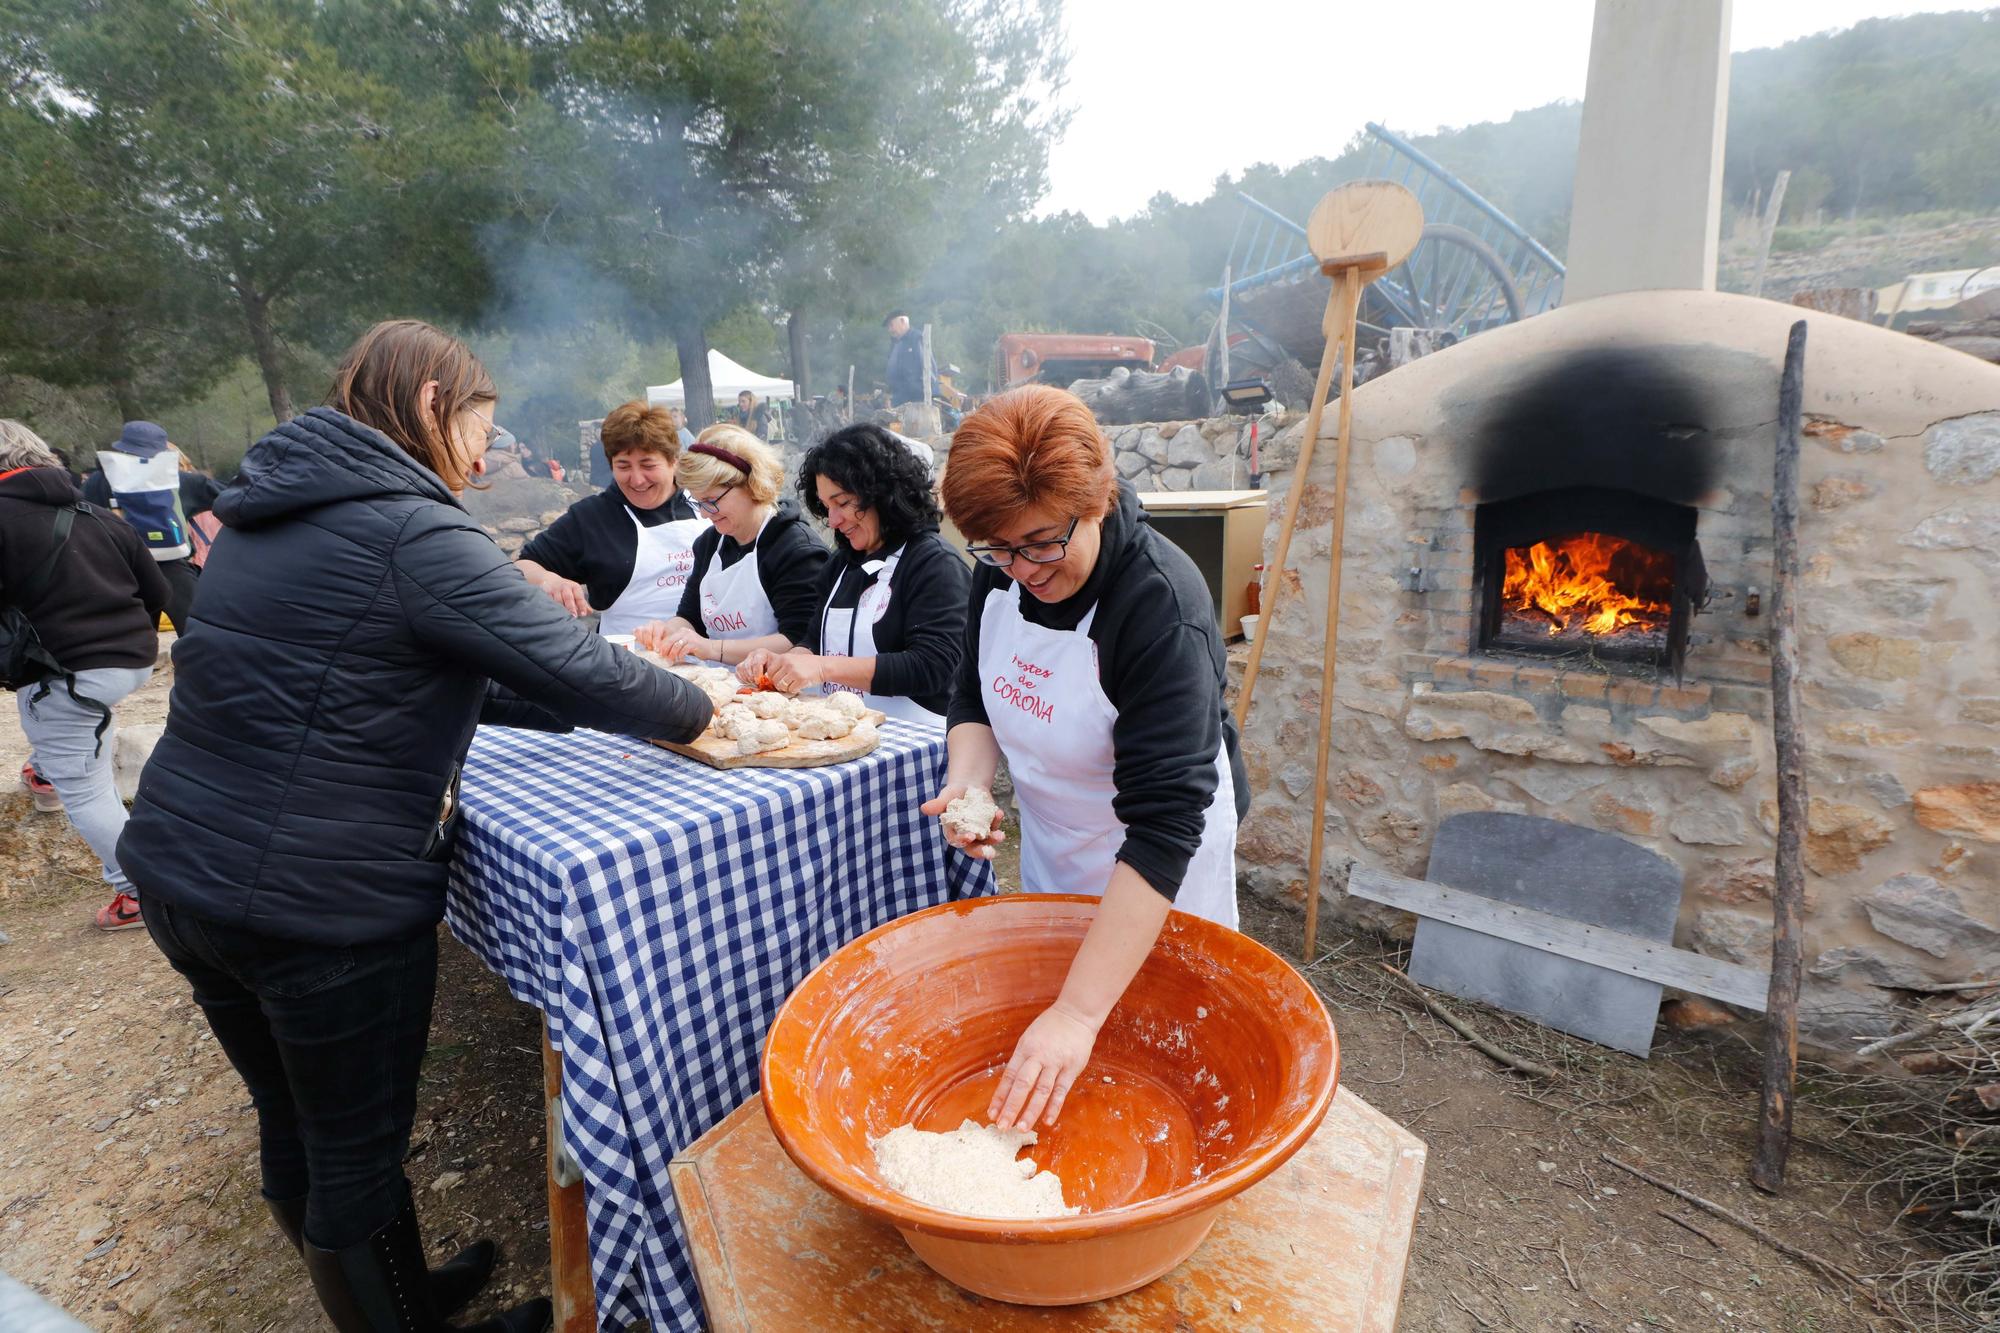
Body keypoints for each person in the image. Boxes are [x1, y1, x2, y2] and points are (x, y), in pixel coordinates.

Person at [117, 319, 712, 1333]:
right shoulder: (409, 528)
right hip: (317, 903)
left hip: (183, 869)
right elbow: (572, 663)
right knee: (353, 1147)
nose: (484, 456)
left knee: (294, 1121)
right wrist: (699, 708)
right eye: (480, 425)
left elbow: (407, 667)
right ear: (433, 405)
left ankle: (402, 1301)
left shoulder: (264, 513)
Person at [922, 384, 1247, 1134]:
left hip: (1158, 869)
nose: (1022, 569)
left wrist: (1075, 1010)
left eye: (1041, 543)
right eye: (998, 548)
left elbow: (1165, 825)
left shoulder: (1158, 604)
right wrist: (967, 784)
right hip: (1059, 843)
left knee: (1160, 1056)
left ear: (1095, 500)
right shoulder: (1000, 569)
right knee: (1078, 1061)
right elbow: (970, 690)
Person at [0, 419, 169, 931]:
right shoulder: (97, 513)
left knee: (89, 792)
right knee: (74, 724)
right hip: (130, 660)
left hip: (65, 674)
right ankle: (46, 765)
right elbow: (156, 593)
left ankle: (140, 894)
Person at [736, 424, 968, 726]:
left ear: (884, 493)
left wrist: (823, 668)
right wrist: (788, 661)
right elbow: (814, 639)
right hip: (845, 731)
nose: (832, 520)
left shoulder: (935, 564)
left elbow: (932, 667)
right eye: (826, 505)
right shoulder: (841, 565)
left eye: (842, 503)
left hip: (916, 741)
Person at [635, 426, 827, 667]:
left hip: (784, 691)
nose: (705, 514)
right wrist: (667, 631)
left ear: (752, 484)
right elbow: (689, 617)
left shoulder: (796, 549)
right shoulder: (709, 544)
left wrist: (712, 648)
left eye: (711, 501)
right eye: (698, 502)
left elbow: (799, 639)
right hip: (725, 684)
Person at [516, 400, 707, 634]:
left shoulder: (707, 504)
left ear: (673, 461)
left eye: (648, 465)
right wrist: (549, 580)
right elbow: (523, 565)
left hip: (715, 660)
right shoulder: (591, 518)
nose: (637, 479)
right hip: (629, 661)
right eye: (623, 466)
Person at [88, 421, 202, 634]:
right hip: (172, 565)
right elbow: (228, 497)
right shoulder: (177, 479)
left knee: (136, 636)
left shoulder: (99, 481)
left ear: (121, 448)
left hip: (123, 568)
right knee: (195, 629)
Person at [884, 311, 927, 407]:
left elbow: (927, 367)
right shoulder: (895, 345)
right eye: (888, 327)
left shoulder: (916, 338)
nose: (890, 330)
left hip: (916, 399)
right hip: (898, 399)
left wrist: (932, 394)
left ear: (903, 321)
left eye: (891, 325)